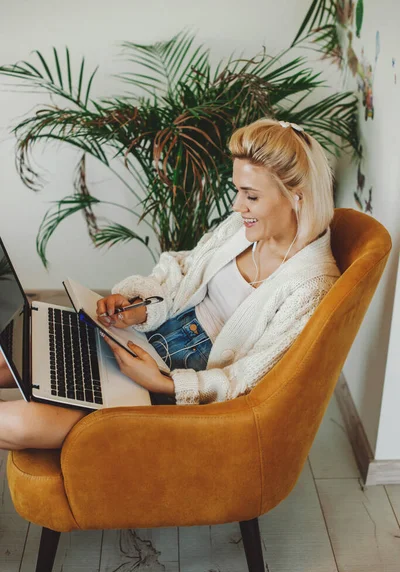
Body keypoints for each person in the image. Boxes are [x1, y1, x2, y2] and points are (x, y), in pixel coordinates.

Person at [0, 118, 340, 450]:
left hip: (175, 380)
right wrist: (137, 307)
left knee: (22, 423)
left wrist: (164, 383)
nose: (238, 206)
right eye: (238, 191)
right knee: (20, 350)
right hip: (144, 338)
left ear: (297, 196)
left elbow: (251, 380)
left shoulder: (311, 285)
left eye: (251, 196)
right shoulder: (241, 229)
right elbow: (181, 270)